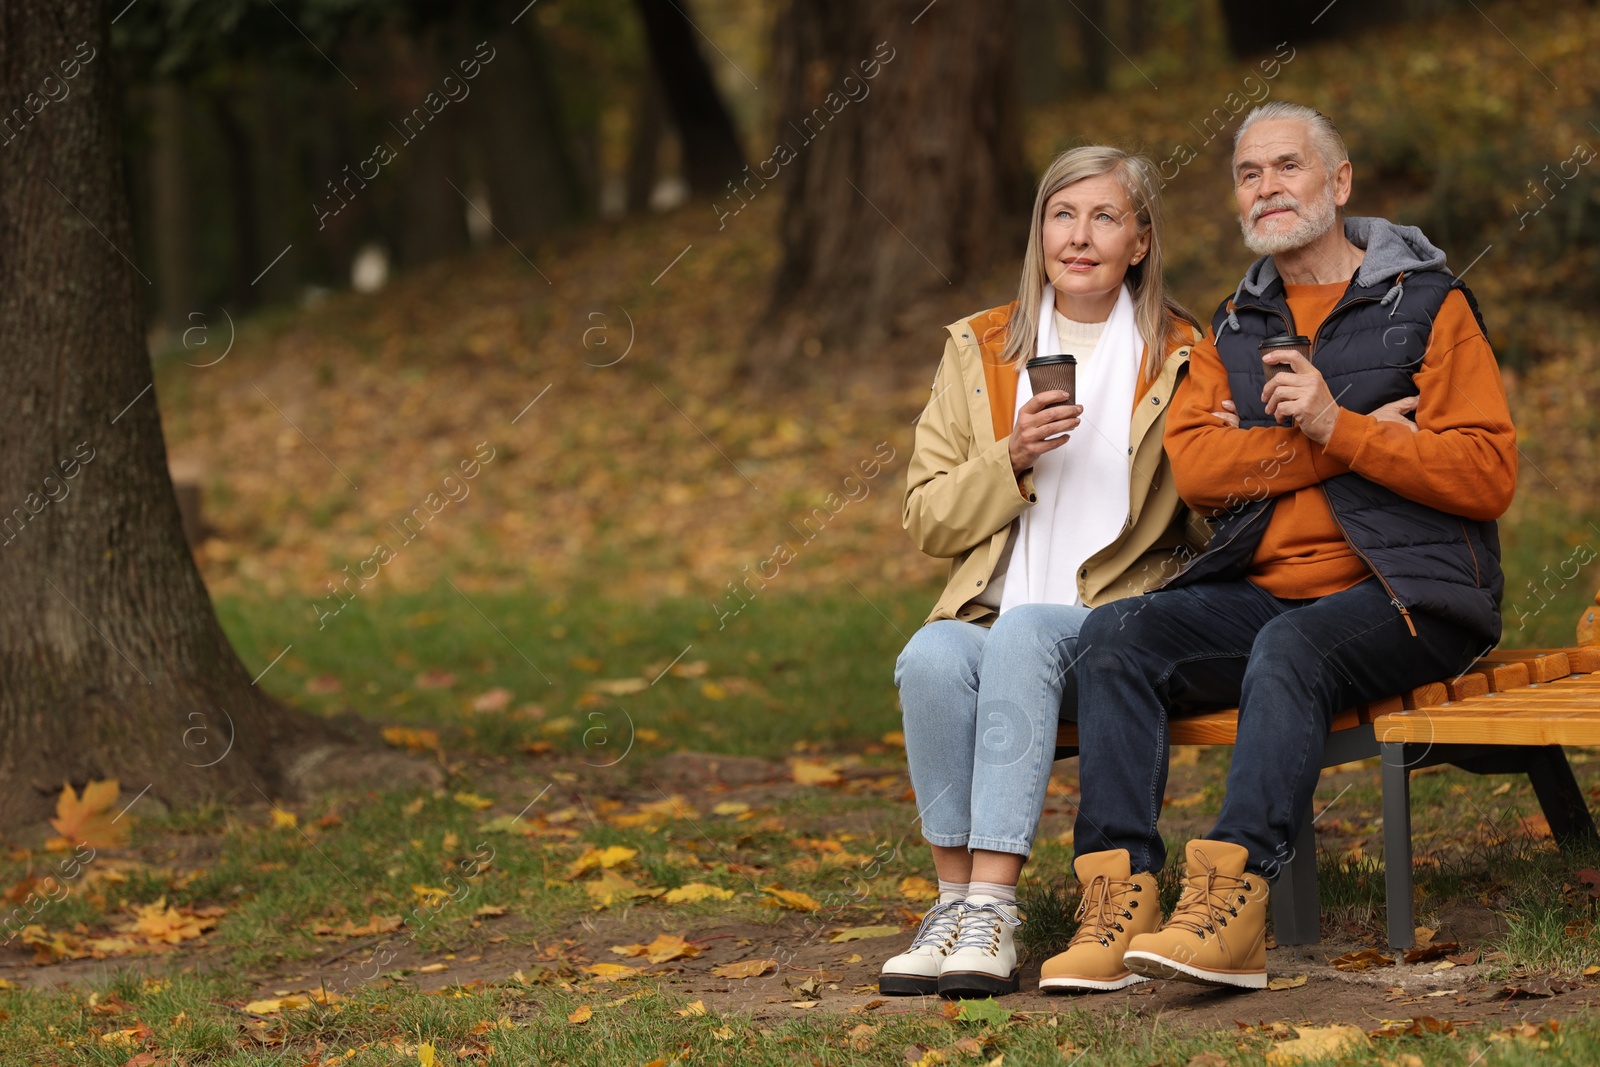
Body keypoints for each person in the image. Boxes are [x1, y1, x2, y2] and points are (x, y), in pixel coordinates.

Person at [1045, 101, 1516, 992]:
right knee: (1115, 636)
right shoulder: (1236, 322)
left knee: (1288, 648)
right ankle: (1119, 898)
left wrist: (1337, 422)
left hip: (1413, 593)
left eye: (1287, 167)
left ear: (1338, 184)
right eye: (1248, 173)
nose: (1266, 187)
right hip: (1269, 589)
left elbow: (1486, 472)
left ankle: (1232, 900)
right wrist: (1330, 437)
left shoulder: (1428, 305)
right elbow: (1202, 472)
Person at [888, 145, 1207, 999]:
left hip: (1112, 626)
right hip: (999, 620)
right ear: (1039, 234)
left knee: (1030, 630)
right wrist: (1011, 456)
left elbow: (1213, 505)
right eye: (1061, 216)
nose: (1079, 235)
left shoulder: (1182, 353)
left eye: (1106, 216)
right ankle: (954, 904)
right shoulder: (983, 347)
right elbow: (926, 515)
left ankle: (996, 905)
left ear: (1140, 241)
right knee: (931, 654)